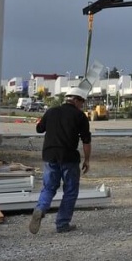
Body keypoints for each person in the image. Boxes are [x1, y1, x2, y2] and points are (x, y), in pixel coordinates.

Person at [28, 86, 92, 234]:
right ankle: (62, 224)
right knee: (70, 190)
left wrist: (41, 122)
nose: (82, 105)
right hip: (69, 157)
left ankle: (40, 208)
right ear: (76, 100)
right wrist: (87, 160)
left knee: (49, 187)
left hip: (50, 155)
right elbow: (86, 141)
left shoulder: (51, 111)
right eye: (82, 102)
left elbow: (39, 129)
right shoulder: (80, 116)